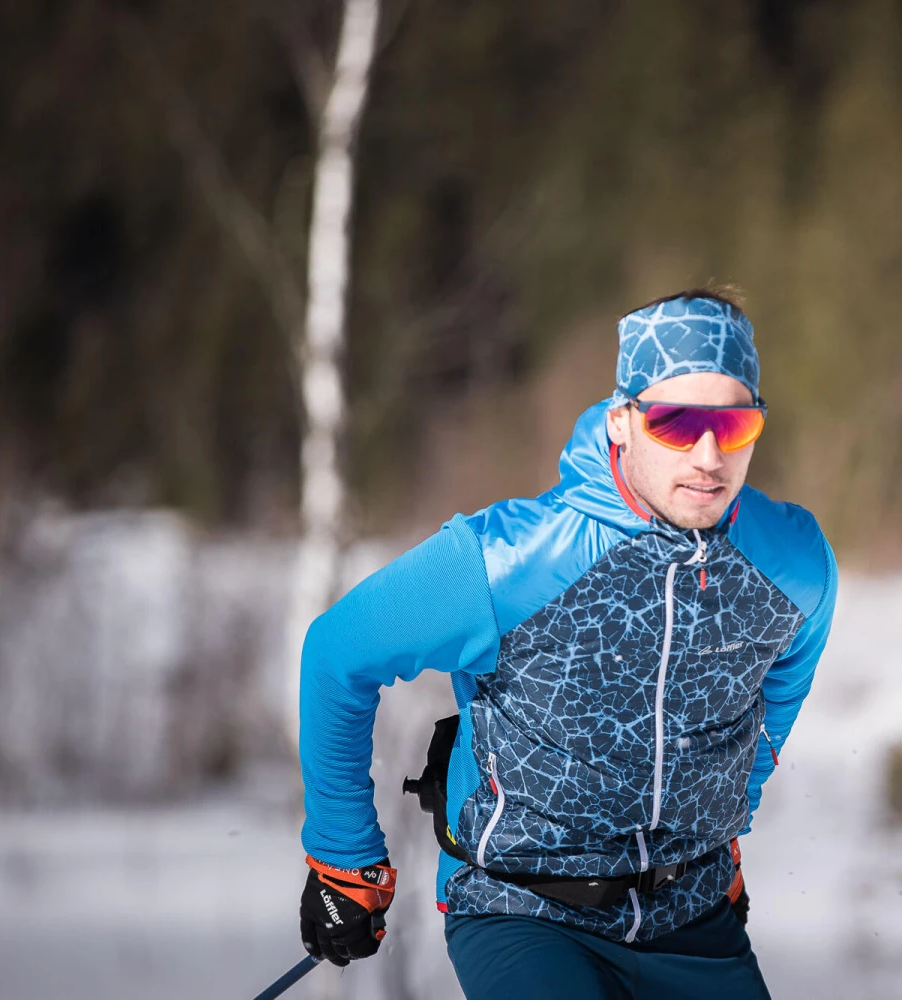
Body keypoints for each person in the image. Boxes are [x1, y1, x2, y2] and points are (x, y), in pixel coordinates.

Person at [295, 289, 838, 999]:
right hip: (524, 908)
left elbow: (770, 711)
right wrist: (343, 859)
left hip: (692, 915)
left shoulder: (793, 566)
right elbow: (338, 654)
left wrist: (722, 821)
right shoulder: (509, 559)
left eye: (733, 425)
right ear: (622, 421)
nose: (709, 456)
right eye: (676, 422)